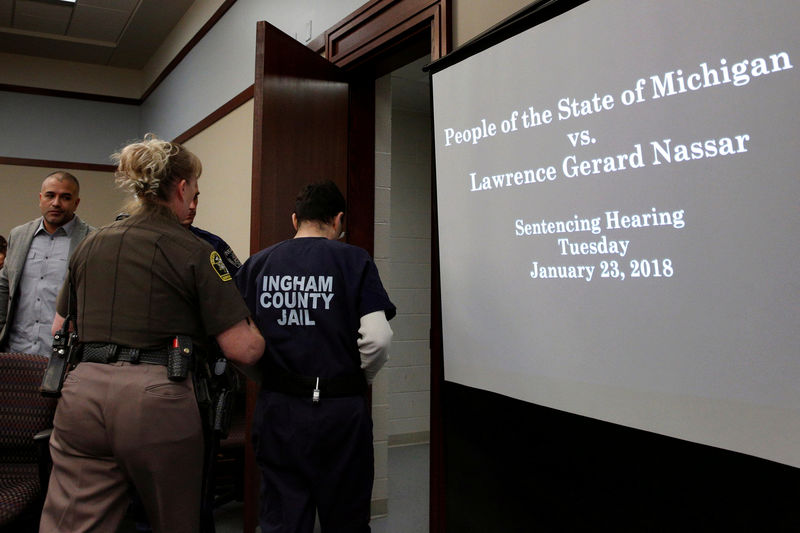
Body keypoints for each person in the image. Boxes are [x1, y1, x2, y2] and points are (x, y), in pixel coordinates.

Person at [40, 134, 265, 533]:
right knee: (174, 520)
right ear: (181, 188)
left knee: (72, 522)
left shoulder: (90, 244)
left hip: (80, 396)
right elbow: (243, 349)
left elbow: (59, 328)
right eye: (193, 189)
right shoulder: (195, 250)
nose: (194, 199)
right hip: (157, 400)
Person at [235, 180, 395, 533]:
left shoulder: (258, 265)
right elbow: (379, 339)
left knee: (281, 520)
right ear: (338, 220)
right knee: (347, 520)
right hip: (341, 410)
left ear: (295, 220)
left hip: (279, 409)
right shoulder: (354, 260)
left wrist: (268, 380)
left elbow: (236, 344)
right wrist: (359, 379)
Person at [0, 171, 92, 356]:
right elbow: (4, 286)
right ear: (41, 198)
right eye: (50, 195)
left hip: (64, 356)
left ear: (76, 202)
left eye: (65, 197)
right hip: (15, 352)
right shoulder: (19, 235)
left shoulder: (92, 240)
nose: (56, 203)